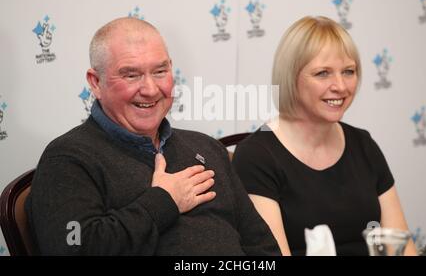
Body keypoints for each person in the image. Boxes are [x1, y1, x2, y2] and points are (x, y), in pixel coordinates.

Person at [26, 17, 281, 256]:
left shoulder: (206, 147)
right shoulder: (68, 159)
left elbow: (263, 248)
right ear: (95, 82)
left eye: (160, 72)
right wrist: (163, 201)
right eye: (131, 75)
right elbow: (75, 247)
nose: (149, 89)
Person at [232, 16, 417, 256]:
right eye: (322, 73)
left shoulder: (363, 144)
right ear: (291, 77)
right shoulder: (256, 156)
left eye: (348, 71)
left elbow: (401, 249)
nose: (340, 86)